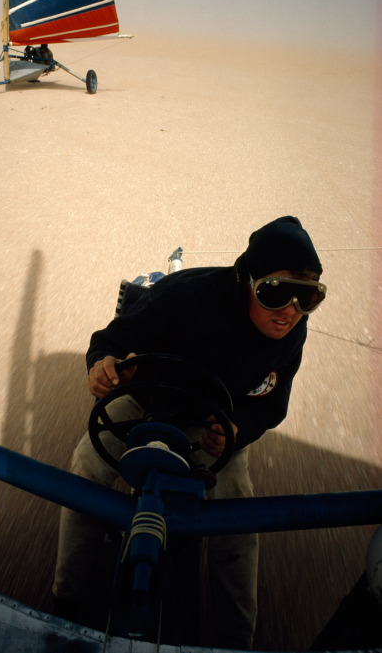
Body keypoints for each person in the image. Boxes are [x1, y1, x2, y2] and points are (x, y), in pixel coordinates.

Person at [52, 216, 326, 649]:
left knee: (237, 510)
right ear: (247, 279)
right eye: (276, 292)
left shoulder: (292, 331)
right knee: (86, 463)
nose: (291, 310)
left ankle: (236, 639)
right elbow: (111, 339)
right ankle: (64, 600)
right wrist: (101, 365)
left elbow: (272, 404)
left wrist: (238, 428)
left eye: (308, 296)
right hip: (146, 402)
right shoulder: (181, 294)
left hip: (219, 421)